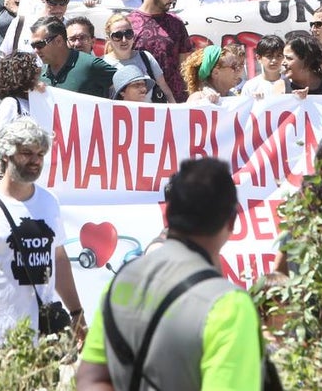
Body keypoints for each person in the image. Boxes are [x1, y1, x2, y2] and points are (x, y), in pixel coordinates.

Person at [76, 157, 263, 391]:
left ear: (169, 213)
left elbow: (91, 379)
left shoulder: (121, 284)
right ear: (232, 221)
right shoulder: (228, 306)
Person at [0, 118, 84, 345]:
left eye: (40, 154)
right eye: (26, 153)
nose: (35, 161)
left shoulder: (49, 202)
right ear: (5, 156)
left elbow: (58, 260)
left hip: (43, 338)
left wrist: (77, 313)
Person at [130, 0, 194, 102]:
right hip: (141, 100)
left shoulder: (176, 23)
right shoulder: (129, 24)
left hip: (175, 100)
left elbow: (187, 65)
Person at [30, 16, 117, 97]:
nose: (36, 50)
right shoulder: (40, 75)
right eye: (33, 46)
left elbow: (128, 85)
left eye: (40, 44)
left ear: (58, 41)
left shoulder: (91, 65)